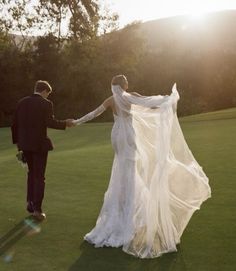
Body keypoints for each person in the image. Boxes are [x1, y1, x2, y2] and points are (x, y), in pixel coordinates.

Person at [73, 75, 211, 258]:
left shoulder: (110, 100)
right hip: (128, 134)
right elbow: (149, 103)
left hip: (117, 136)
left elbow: (93, 114)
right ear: (125, 85)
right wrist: (168, 100)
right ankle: (129, 215)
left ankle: (120, 209)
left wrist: (75, 122)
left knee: (121, 169)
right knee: (129, 171)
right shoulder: (130, 96)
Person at [11, 80, 75, 221]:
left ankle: (30, 204)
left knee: (31, 174)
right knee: (39, 177)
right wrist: (65, 123)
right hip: (39, 146)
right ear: (45, 91)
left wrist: (18, 145)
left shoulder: (21, 102)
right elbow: (49, 122)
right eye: (48, 94)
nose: (48, 97)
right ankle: (37, 210)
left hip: (25, 146)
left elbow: (14, 125)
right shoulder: (46, 104)